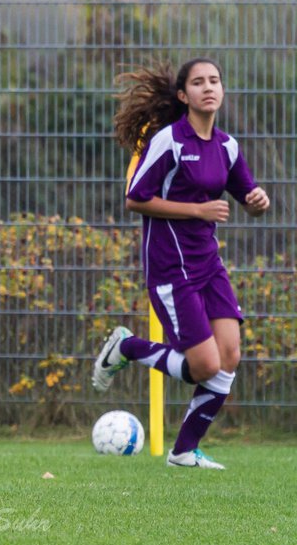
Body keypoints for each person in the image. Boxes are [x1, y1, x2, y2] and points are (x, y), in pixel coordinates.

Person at [93, 58, 270, 469]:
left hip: (208, 265)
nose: (208, 87)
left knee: (229, 357)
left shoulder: (227, 146)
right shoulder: (170, 141)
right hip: (171, 267)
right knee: (204, 365)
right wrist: (197, 212)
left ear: (222, 91)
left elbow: (247, 198)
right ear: (183, 95)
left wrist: (259, 201)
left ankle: (183, 451)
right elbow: (136, 199)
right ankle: (127, 346)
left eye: (214, 81)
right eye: (198, 82)